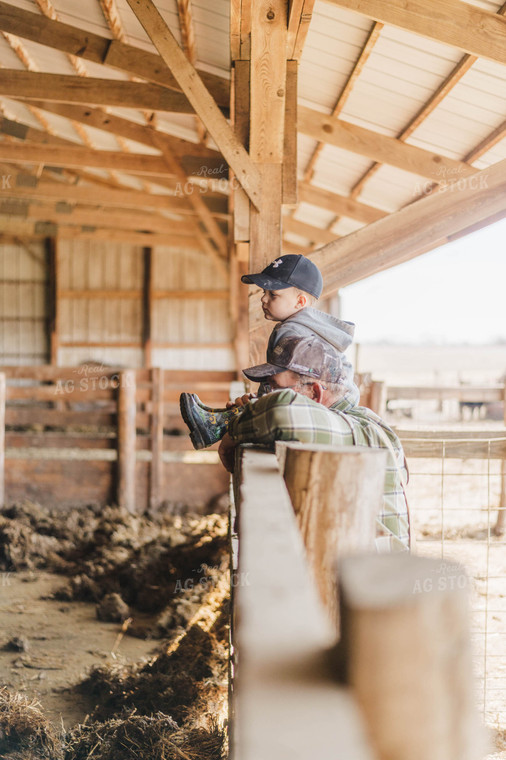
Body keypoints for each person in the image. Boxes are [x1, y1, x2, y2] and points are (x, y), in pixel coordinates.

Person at [215, 334, 411, 552]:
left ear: (315, 393)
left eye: (273, 388)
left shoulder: (358, 428)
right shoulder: (328, 427)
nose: (263, 396)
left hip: (379, 578)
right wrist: (251, 417)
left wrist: (233, 432)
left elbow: (281, 411)